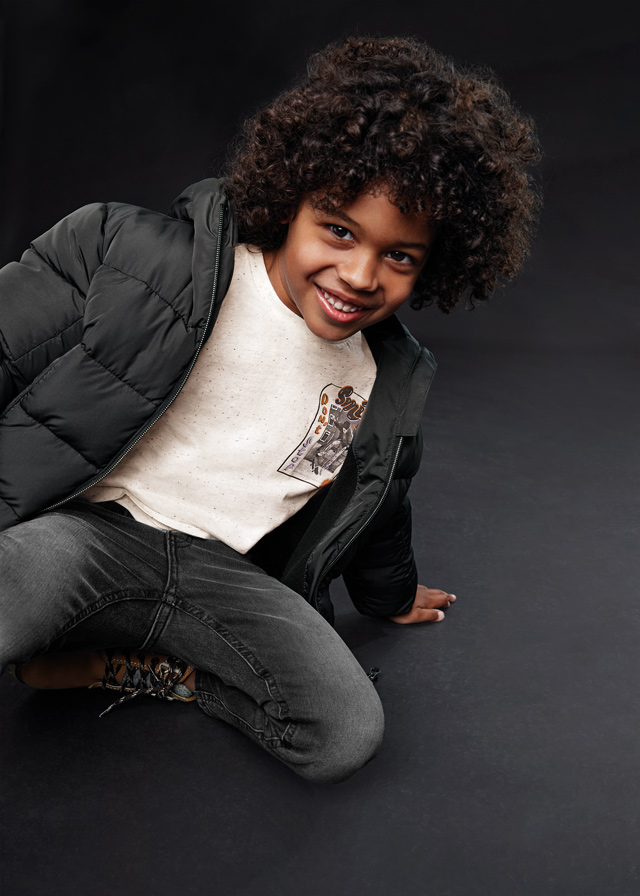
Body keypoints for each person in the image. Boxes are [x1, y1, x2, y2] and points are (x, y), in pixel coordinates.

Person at [0, 36, 540, 783]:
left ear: (436, 264)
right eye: (339, 230)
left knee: (343, 732)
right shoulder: (136, 256)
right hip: (85, 539)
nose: (360, 274)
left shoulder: (387, 379)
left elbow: (381, 504)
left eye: (399, 256)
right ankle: (66, 638)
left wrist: (388, 596)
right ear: (290, 200)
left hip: (222, 574)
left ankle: (127, 667)